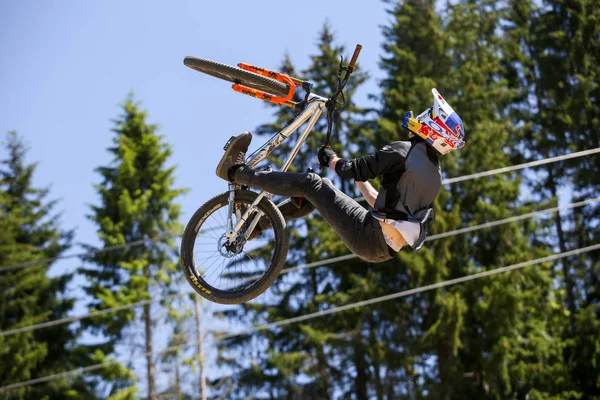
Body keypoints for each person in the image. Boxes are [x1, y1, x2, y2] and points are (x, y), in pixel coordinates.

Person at [215, 88, 465, 263]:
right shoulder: (434, 176)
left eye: (428, 115)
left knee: (311, 183)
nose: (421, 117)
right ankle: (255, 227)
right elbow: (387, 206)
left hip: (370, 234)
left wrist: (332, 159)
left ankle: (235, 171)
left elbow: (352, 169)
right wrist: (359, 180)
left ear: (434, 128)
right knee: (314, 193)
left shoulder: (406, 151)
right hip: (382, 246)